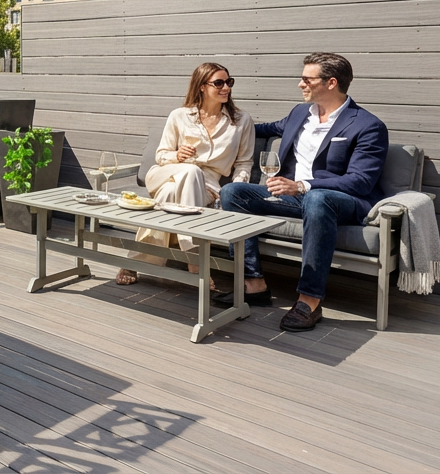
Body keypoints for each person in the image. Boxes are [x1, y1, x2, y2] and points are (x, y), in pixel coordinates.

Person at [217, 52, 388, 332]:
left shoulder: (368, 126)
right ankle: (253, 284)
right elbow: (261, 129)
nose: (300, 84)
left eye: (307, 79)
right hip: (296, 199)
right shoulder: (300, 113)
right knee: (233, 192)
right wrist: (211, 127)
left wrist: (303, 185)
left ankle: (309, 301)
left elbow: (360, 181)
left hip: (339, 201)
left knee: (318, 199)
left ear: (331, 83)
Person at [118, 63, 254, 286]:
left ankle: (136, 261)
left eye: (229, 82)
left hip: (206, 186)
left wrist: (235, 189)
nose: (226, 88)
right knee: (189, 171)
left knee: (170, 194)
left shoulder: (240, 121)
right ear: (201, 86)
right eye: (218, 83)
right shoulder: (179, 116)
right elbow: (161, 155)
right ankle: (195, 258)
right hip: (165, 174)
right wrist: (178, 156)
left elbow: (244, 163)